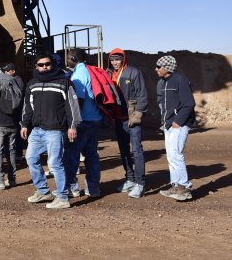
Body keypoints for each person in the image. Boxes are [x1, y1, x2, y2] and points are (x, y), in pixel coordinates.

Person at [21, 53, 81, 210]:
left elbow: (72, 106)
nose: (44, 67)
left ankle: (62, 197)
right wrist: (24, 124)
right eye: (41, 65)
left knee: (55, 163)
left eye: (47, 64)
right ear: (36, 66)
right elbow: (27, 106)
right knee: (31, 158)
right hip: (37, 130)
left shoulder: (63, 82)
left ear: (52, 65)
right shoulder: (32, 84)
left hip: (55, 130)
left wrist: (72, 126)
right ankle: (43, 191)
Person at [108, 48, 148, 198]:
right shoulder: (109, 74)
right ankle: (130, 179)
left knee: (137, 151)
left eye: (118, 59)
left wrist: (138, 114)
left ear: (123, 59)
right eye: (112, 60)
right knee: (124, 151)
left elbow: (142, 95)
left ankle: (140, 183)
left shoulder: (133, 72)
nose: (115, 62)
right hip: (118, 120)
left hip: (132, 119)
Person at [155, 55, 196, 202]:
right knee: (171, 156)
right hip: (168, 124)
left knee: (176, 155)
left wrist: (178, 122)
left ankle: (184, 187)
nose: (156, 69)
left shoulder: (180, 80)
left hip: (179, 125)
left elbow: (189, 104)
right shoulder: (163, 82)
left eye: (159, 66)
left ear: (167, 67)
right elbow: (163, 103)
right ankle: (176, 186)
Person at [62, 49, 101, 198]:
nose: (67, 60)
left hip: (83, 121)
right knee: (91, 156)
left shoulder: (79, 74)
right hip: (95, 119)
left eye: (68, 58)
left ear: (73, 58)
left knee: (71, 155)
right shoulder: (90, 70)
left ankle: (72, 188)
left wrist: (73, 123)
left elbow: (79, 100)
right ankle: (93, 188)